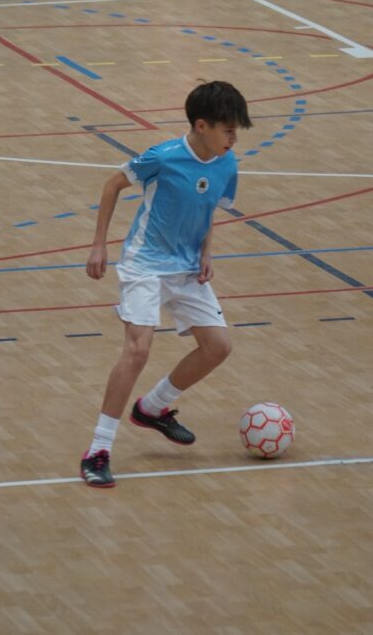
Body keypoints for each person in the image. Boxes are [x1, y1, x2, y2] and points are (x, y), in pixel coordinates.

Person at [80, 80, 252, 487]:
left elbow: (209, 210)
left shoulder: (227, 164)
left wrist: (206, 253)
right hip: (144, 264)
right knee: (138, 350)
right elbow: (112, 185)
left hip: (187, 268)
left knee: (218, 346)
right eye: (228, 130)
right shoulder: (163, 157)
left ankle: (153, 408)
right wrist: (99, 244)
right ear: (201, 125)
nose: (233, 138)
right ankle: (98, 450)